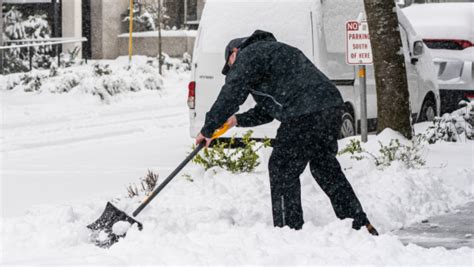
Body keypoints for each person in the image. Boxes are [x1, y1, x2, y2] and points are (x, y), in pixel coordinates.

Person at [195, 30, 378, 235]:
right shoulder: (274, 53)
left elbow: (231, 93)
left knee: (281, 167)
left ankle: (288, 232)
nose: (232, 69)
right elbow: (268, 110)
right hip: (330, 106)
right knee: (324, 166)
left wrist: (208, 128)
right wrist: (237, 120)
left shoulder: (248, 55)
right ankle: (359, 223)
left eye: (230, 65)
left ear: (234, 52)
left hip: (304, 112)